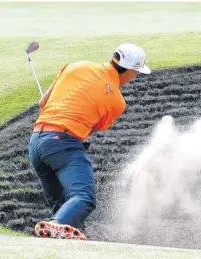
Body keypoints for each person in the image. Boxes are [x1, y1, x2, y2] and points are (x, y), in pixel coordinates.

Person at [28, 43, 151, 240]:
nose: (134, 78)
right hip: (62, 144)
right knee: (83, 197)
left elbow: (42, 103)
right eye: (135, 73)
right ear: (127, 70)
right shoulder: (117, 102)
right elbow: (91, 129)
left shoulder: (76, 66)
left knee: (62, 205)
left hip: (36, 144)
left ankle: (55, 238)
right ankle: (57, 226)